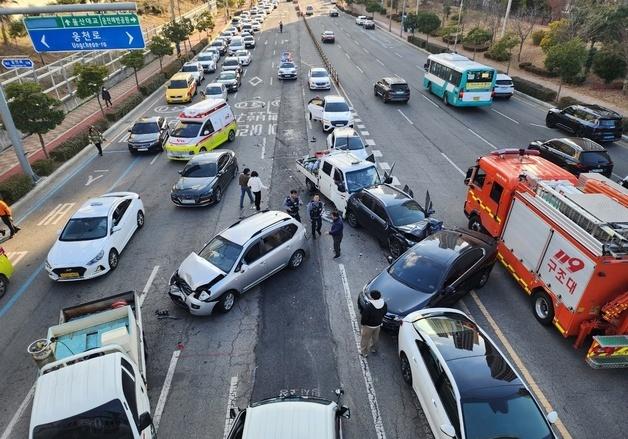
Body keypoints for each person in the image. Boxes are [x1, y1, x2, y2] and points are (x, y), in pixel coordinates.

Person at [359, 290, 387, 357]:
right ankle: (374, 349)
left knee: (365, 339)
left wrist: (363, 324)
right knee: (375, 338)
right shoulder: (384, 304)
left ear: (372, 297)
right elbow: (384, 313)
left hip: (369, 326)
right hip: (378, 325)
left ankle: (364, 352)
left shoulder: (369, 306)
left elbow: (364, 317)